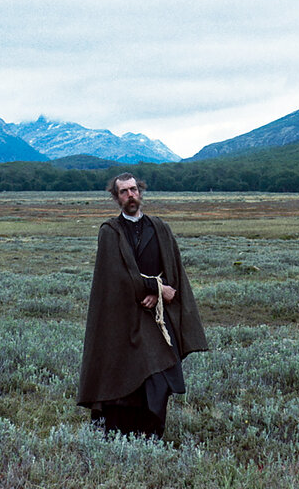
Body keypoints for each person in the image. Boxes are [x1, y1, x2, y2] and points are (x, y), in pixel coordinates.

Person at [77, 173, 208, 438]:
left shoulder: (159, 228)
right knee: (124, 374)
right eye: (123, 192)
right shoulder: (109, 232)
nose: (130, 195)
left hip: (156, 317)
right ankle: (121, 435)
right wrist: (153, 288)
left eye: (134, 189)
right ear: (116, 198)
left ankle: (151, 435)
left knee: (159, 376)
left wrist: (159, 294)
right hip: (123, 317)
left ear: (141, 191)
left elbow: (173, 269)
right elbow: (115, 276)